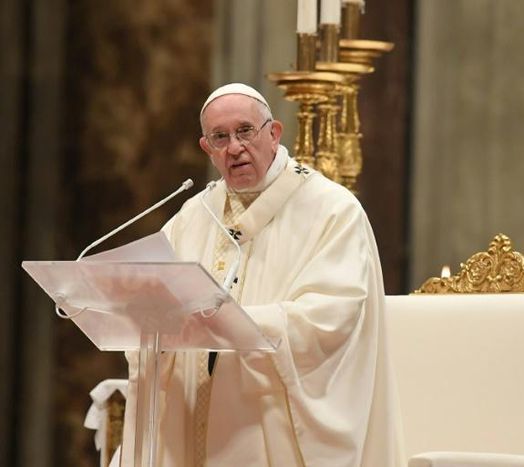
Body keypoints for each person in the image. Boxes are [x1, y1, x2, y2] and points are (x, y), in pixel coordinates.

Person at [119, 83, 404, 466]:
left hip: (268, 421)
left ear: (274, 133)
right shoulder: (194, 214)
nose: (234, 147)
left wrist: (238, 324)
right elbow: (155, 298)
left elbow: (334, 315)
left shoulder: (332, 210)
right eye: (220, 137)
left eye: (245, 131)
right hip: (195, 416)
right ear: (207, 148)